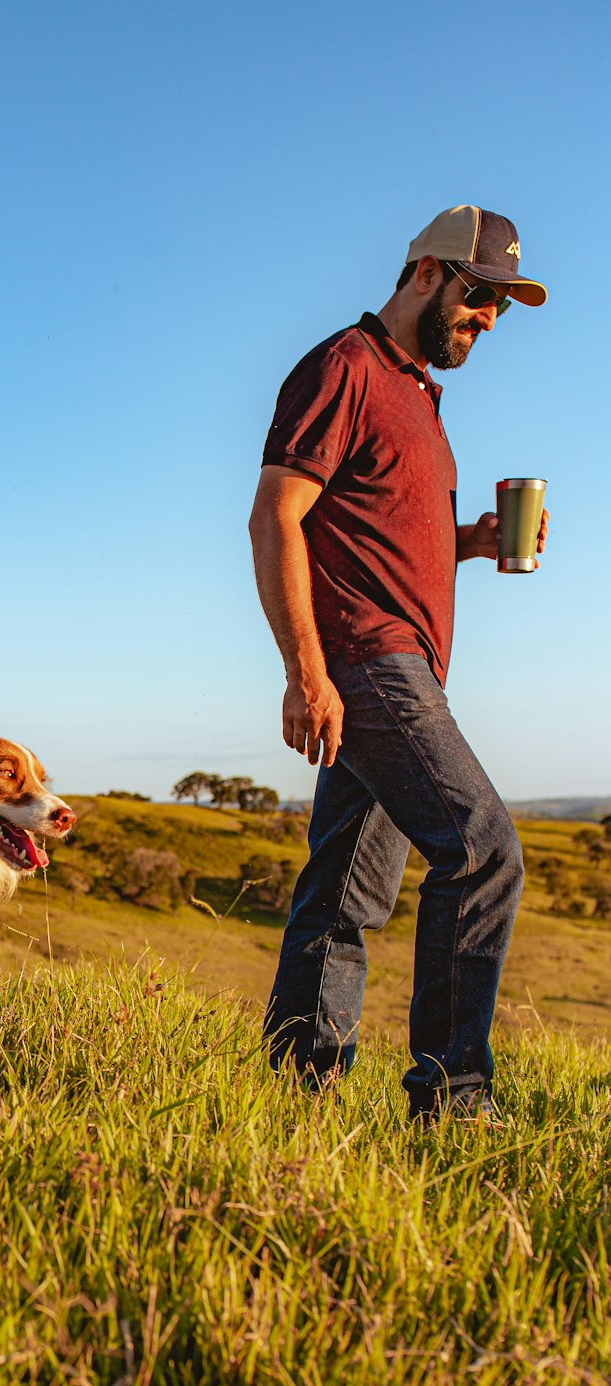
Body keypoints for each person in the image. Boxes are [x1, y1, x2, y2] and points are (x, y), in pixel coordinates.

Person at [248, 205, 549, 1120]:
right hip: (370, 662)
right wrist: (307, 670)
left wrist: (468, 540)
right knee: (484, 851)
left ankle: (298, 1088)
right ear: (428, 271)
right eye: (482, 294)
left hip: (398, 660)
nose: (489, 318)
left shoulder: (418, 392)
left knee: (348, 888)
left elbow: (373, 524)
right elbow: (276, 517)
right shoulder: (345, 366)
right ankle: (453, 1100)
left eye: (500, 305)